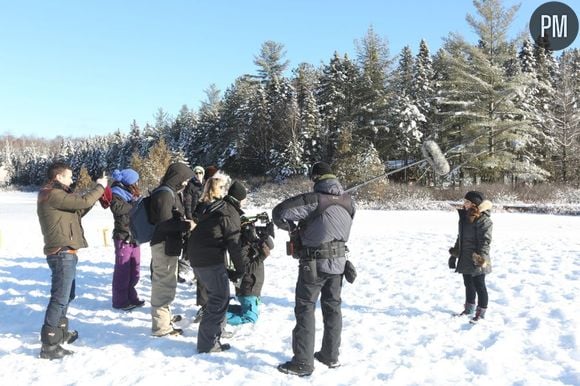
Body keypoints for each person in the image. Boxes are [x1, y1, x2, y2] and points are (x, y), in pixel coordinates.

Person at [272, 162, 355, 377]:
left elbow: (279, 212)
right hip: (338, 263)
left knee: (305, 309)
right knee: (333, 308)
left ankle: (302, 362)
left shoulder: (314, 199)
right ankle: (330, 355)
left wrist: (294, 228)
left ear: (316, 178)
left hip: (314, 264)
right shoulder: (349, 201)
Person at [37, 161, 108, 359]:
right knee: (59, 297)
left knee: (67, 296)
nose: (71, 179)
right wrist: (100, 186)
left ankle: (60, 333)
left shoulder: (58, 195)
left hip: (67, 252)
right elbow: (82, 202)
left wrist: (95, 196)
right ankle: (49, 344)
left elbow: (80, 209)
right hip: (61, 253)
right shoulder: (52, 193)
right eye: (68, 176)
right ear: (58, 177)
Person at [187, 178, 249, 353]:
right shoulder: (229, 213)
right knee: (219, 298)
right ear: (240, 198)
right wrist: (241, 268)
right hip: (207, 258)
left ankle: (216, 336)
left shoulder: (221, 206)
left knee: (221, 296)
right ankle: (207, 344)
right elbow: (234, 244)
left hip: (201, 254)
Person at [149, 163, 196, 337]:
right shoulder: (164, 194)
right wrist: (186, 225)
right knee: (163, 284)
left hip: (168, 244)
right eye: (184, 179)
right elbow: (164, 225)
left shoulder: (169, 192)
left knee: (168, 283)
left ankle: (165, 317)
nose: (185, 183)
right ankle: (161, 327)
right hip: (163, 244)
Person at [449, 191, 493, 323]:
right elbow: (460, 238)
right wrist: (454, 255)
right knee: (468, 284)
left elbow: (485, 242)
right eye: (464, 201)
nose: (464, 204)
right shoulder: (464, 218)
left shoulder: (484, 220)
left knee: (479, 284)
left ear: (474, 204)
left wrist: (480, 259)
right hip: (465, 257)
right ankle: (469, 309)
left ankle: (481, 312)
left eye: (467, 202)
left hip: (477, 258)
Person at [109, 168, 144, 311]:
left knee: (134, 270)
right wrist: (135, 205)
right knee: (122, 271)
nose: (137, 183)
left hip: (135, 236)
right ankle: (120, 300)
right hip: (123, 236)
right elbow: (117, 209)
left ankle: (131, 296)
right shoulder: (116, 193)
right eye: (135, 180)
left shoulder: (131, 193)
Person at [178, 165, 205, 285]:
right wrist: (189, 218)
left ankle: (197, 273)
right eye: (196, 172)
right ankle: (182, 268)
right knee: (189, 244)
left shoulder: (206, 184)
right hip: (193, 218)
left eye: (200, 172)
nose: (198, 174)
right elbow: (187, 203)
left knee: (200, 247)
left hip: (203, 219)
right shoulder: (190, 185)